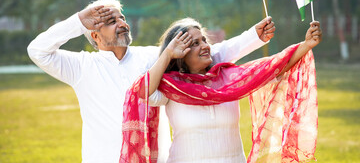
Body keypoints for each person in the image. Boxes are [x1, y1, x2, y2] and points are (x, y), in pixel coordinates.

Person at [27, 0, 276, 163]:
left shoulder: (152, 57)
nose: (122, 23)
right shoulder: (82, 66)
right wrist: (78, 21)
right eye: (112, 21)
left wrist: (253, 36)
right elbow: (38, 51)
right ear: (94, 33)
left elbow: (211, 53)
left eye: (122, 17)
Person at [121, 18, 322, 163]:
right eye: (194, 44)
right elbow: (142, 93)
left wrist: (307, 44)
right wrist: (167, 54)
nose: (204, 46)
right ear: (179, 55)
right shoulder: (170, 88)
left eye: (203, 40)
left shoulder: (228, 79)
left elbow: (274, 67)